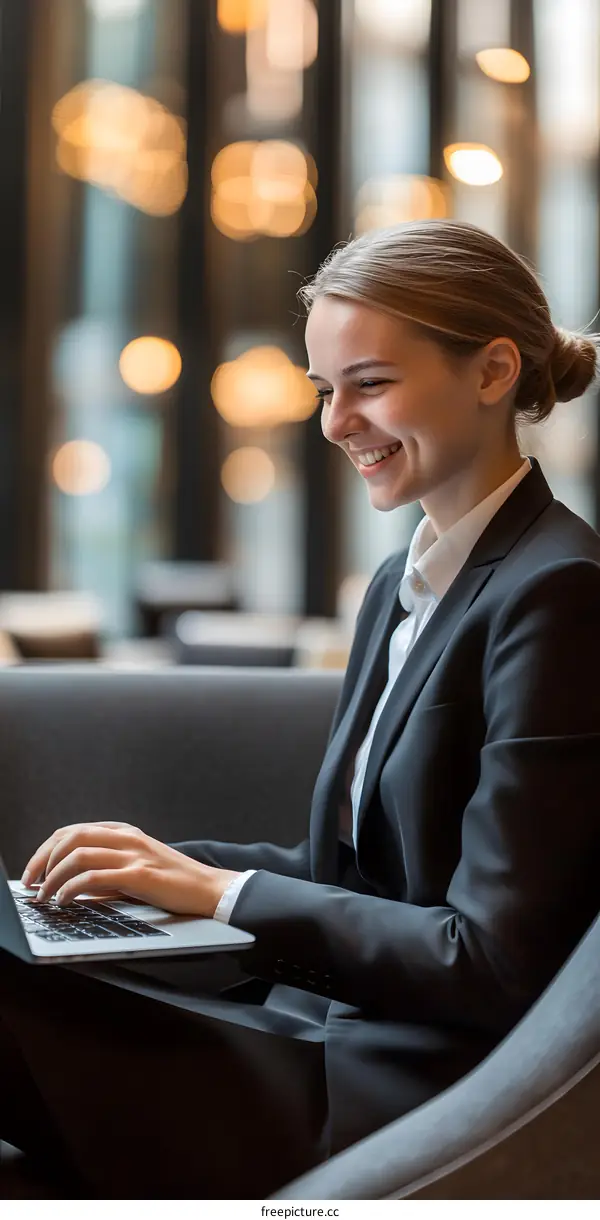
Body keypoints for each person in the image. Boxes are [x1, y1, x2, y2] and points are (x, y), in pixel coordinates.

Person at [2, 218, 600, 1199]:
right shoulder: (403, 584)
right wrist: (164, 869)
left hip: (388, 1091)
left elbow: (491, 957)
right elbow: (351, 877)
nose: (334, 421)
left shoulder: (560, 593)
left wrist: (214, 893)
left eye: (370, 383)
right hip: (312, 1028)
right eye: (327, 390)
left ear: (493, 371)